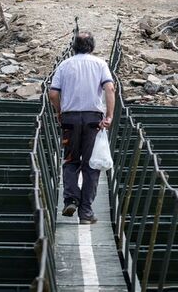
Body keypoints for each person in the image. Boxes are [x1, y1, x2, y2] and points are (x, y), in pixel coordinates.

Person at [48, 31, 115, 225]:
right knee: (91, 165)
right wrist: (109, 116)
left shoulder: (64, 65)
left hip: (70, 119)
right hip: (93, 119)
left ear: (73, 47)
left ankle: (70, 200)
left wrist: (59, 112)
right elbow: (109, 89)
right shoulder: (100, 64)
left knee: (70, 160)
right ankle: (85, 212)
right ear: (92, 47)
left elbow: (53, 94)